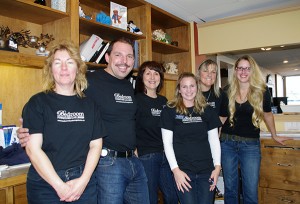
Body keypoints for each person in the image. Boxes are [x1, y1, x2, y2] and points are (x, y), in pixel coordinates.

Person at [18, 37, 150, 204]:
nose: (124, 61)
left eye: (130, 56)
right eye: (118, 55)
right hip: (104, 165)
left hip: (121, 164)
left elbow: (125, 123)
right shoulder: (90, 81)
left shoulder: (125, 87)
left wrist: (135, 151)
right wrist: (27, 128)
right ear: (107, 58)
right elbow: (54, 104)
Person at [21, 41, 106, 203]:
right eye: (58, 63)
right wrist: (59, 186)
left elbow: (96, 145)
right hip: (45, 184)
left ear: (78, 68)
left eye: (69, 62)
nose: (64, 68)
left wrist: (83, 181)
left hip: (84, 182)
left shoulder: (90, 105)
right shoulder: (37, 102)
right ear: (51, 70)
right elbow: (33, 149)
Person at [220, 55, 292, 204]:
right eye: (240, 68)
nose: (243, 71)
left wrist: (274, 135)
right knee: (230, 189)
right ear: (236, 71)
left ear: (252, 71)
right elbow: (222, 119)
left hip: (250, 145)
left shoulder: (262, 91)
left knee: (250, 190)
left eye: (247, 68)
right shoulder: (226, 91)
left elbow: (267, 114)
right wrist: (214, 140)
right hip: (227, 143)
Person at [160, 72, 222, 204]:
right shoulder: (169, 110)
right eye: (184, 87)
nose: (189, 90)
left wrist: (217, 168)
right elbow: (167, 143)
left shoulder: (207, 110)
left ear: (197, 88)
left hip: (207, 171)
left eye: (192, 86)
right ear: (179, 90)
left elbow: (214, 141)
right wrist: (176, 171)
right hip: (183, 172)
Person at [135, 61, 178, 204]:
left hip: (166, 155)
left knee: (172, 196)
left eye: (156, 73)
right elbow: (130, 127)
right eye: (148, 73)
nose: (152, 77)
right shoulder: (136, 100)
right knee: (150, 198)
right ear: (141, 77)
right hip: (147, 155)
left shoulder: (164, 101)